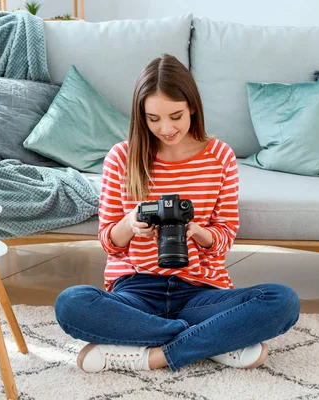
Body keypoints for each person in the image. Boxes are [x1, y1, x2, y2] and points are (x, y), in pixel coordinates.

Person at [54, 54, 300, 373]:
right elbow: (109, 243)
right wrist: (130, 224)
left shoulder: (219, 156)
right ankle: (214, 342)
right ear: (141, 115)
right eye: (153, 118)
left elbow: (225, 238)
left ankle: (152, 354)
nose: (166, 128)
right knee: (71, 303)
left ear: (192, 107)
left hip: (201, 291)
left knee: (282, 301)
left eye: (175, 115)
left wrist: (196, 231)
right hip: (136, 290)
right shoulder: (121, 157)